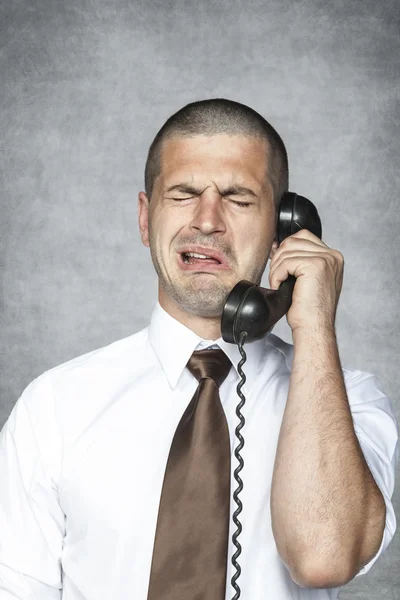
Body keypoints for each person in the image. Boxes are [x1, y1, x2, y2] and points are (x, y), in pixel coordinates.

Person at [0, 98, 398, 600]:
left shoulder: (352, 403)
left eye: (239, 198)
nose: (207, 220)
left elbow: (324, 557)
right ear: (146, 219)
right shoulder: (52, 408)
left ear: (284, 228)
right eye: (184, 194)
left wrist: (315, 324)